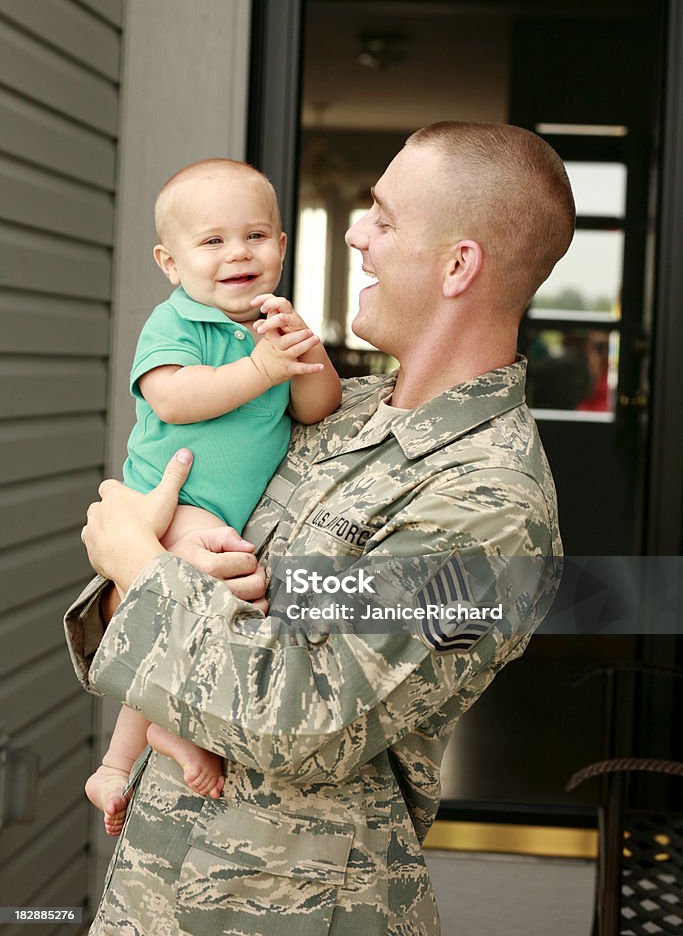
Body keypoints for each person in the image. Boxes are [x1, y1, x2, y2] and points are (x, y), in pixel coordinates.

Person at [67, 122, 574, 936]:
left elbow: (303, 718)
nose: (352, 232)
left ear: (457, 266)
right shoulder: (345, 412)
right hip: (161, 892)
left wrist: (132, 556)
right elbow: (192, 562)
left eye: (382, 215)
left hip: (288, 912)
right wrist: (158, 556)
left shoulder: (490, 507)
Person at [84, 158, 342, 836]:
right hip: (172, 494)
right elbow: (171, 395)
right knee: (211, 593)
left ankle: (119, 762)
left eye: (256, 236)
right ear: (170, 262)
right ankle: (164, 735)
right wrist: (258, 368)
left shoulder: (275, 325)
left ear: (282, 249)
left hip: (218, 506)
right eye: (212, 241)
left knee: (188, 606)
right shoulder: (177, 323)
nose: (238, 253)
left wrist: (302, 354)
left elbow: (317, 408)